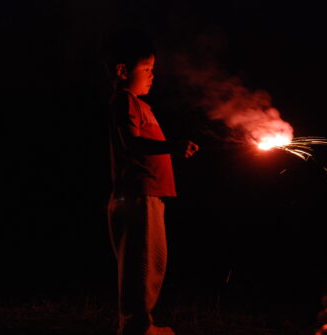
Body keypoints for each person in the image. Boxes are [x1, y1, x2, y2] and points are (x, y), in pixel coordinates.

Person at [101, 29, 199, 335]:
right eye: (147, 69)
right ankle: (137, 328)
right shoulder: (124, 101)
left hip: (150, 196)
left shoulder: (141, 106)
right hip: (137, 197)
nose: (152, 76)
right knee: (141, 266)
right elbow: (131, 143)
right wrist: (171, 146)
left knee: (152, 263)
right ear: (122, 71)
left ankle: (143, 324)